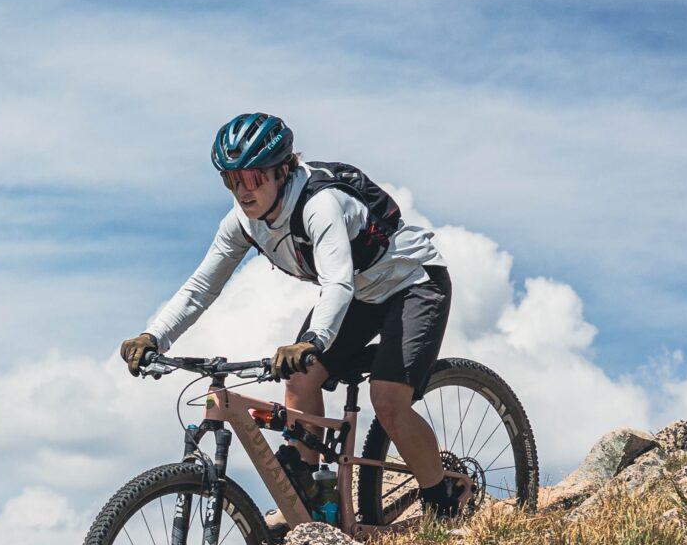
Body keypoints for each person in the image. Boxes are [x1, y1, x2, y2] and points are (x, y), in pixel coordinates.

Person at [118, 112, 467, 519]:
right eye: (232, 180)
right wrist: (154, 336)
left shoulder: (320, 205)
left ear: (283, 170)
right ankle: (316, 496)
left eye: (253, 178)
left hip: (413, 282)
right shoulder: (241, 223)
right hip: (362, 293)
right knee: (300, 379)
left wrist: (313, 340)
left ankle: (443, 498)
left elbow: (337, 283)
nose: (243, 191)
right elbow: (200, 288)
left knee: (387, 400)